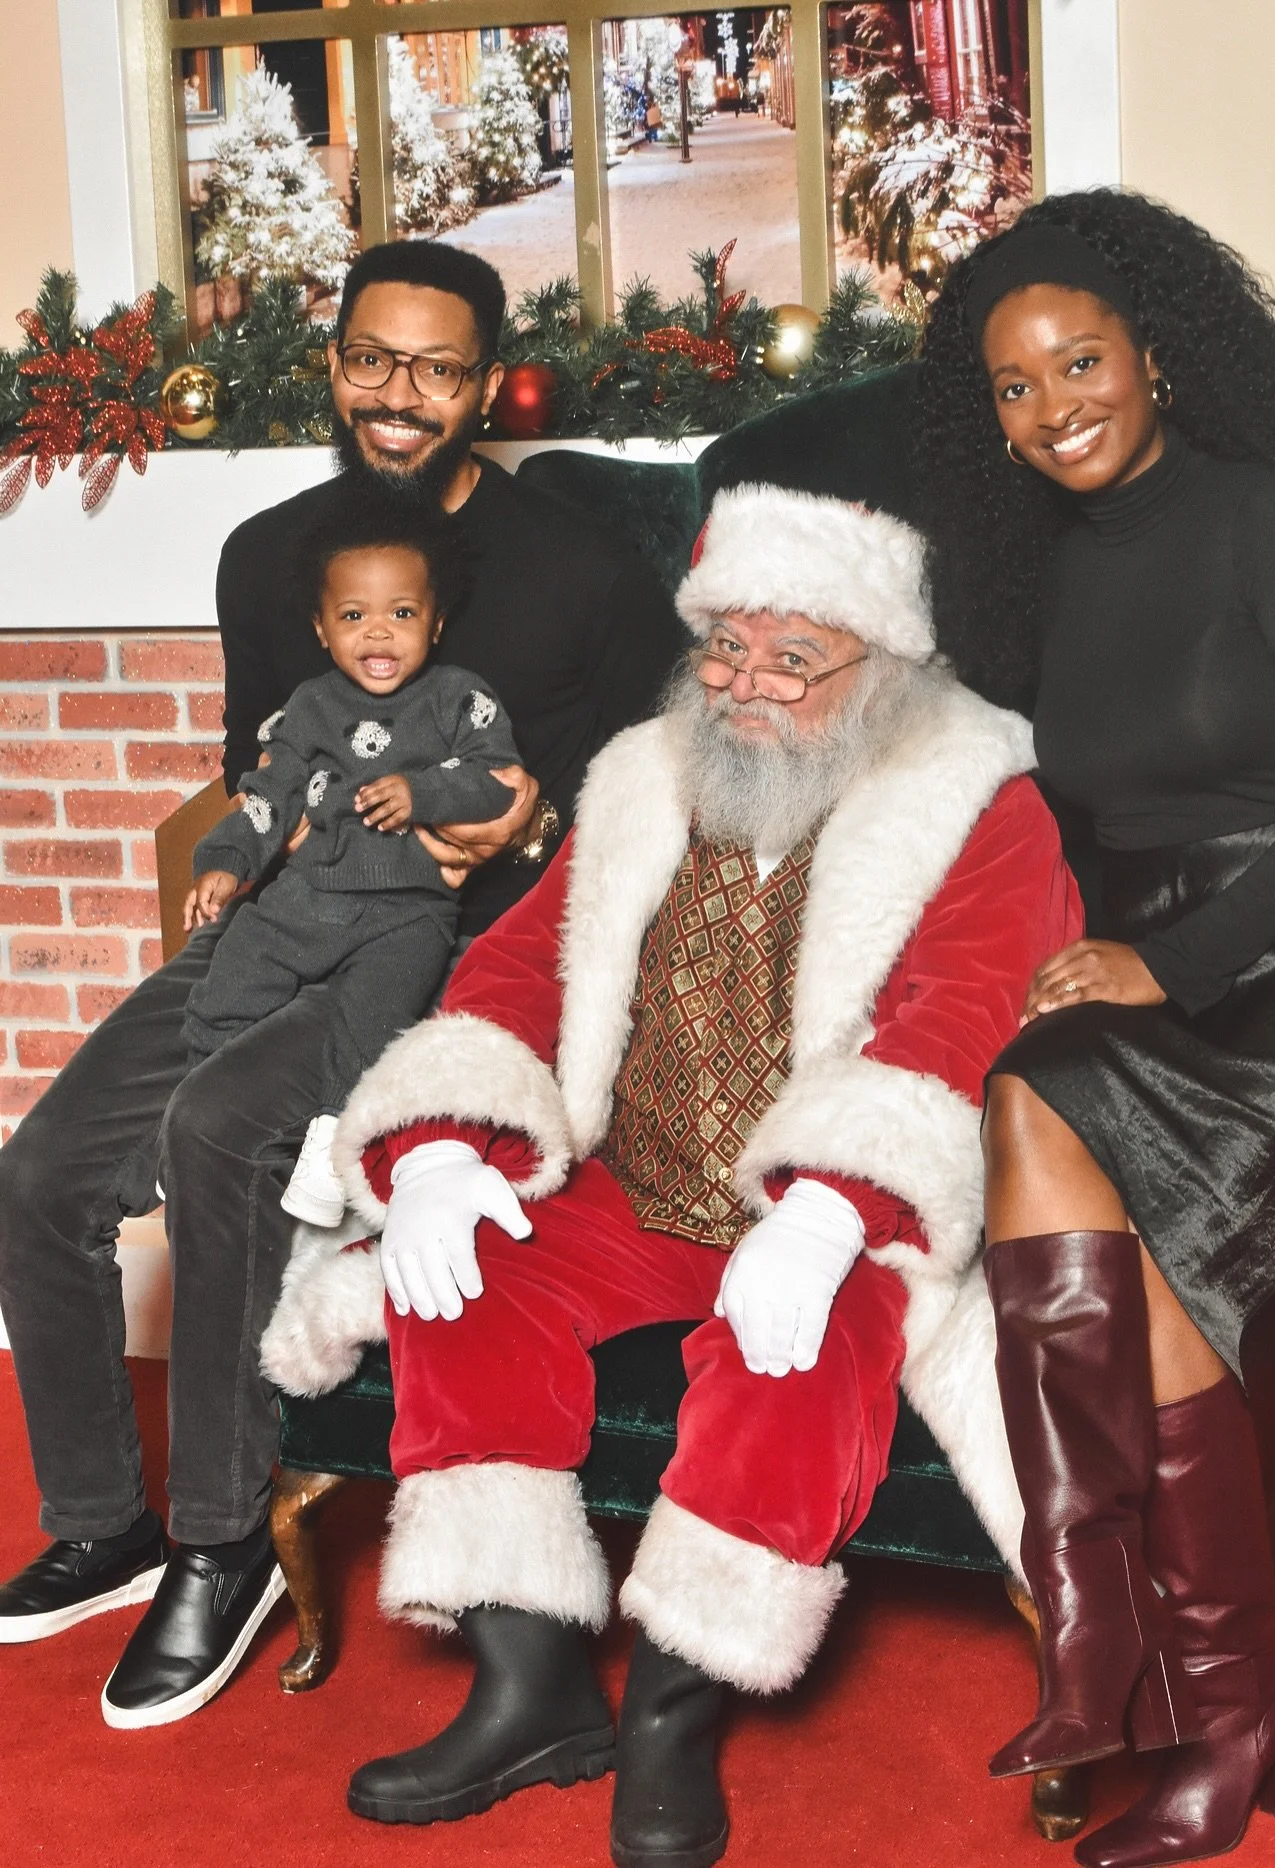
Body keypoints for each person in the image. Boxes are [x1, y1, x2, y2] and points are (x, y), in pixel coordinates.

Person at [261, 483, 1081, 1865]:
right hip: (631, 1179)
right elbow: (523, 963)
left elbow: (969, 1016)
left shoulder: (980, 801)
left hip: (820, 1208)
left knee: (800, 1350)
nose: (744, 684)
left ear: (881, 674)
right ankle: (531, 1689)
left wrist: (832, 1211)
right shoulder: (644, 776)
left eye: (790, 658)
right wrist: (446, 1143)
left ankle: (672, 1716)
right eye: (723, 646)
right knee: (459, 1275)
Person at [0, 240, 682, 1728]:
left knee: (221, 1124)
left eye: (438, 370)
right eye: (373, 359)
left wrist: (536, 821)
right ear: (333, 362)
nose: (399, 397)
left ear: (484, 385)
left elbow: (667, 777)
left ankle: (220, 1542)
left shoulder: (578, 567)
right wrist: (240, 859)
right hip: (289, 923)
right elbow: (274, 759)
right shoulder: (268, 557)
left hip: (465, 959)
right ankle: (106, 1518)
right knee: (43, 1174)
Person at [915, 191, 1275, 1868]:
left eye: (1080, 361)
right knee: (1030, 1097)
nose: (1054, 408)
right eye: (1013, 386)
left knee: (1132, 1202)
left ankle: (1189, 1701)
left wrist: (1173, 961)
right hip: (1170, 957)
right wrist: (1097, 954)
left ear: (1155, 358)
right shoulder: (1034, 576)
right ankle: (1128, 1650)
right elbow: (1088, 827)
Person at [185, 499, 521, 1227]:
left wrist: (424, 791)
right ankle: (188, 1113)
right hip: (309, 896)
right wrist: (225, 860)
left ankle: (331, 1147)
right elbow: (266, 791)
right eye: (353, 616)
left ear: (434, 622)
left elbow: (496, 783)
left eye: (401, 614)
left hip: (409, 912)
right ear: (322, 629)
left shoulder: (459, 699)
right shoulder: (309, 706)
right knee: (233, 972)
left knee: (371, 1026)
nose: (377, 632)